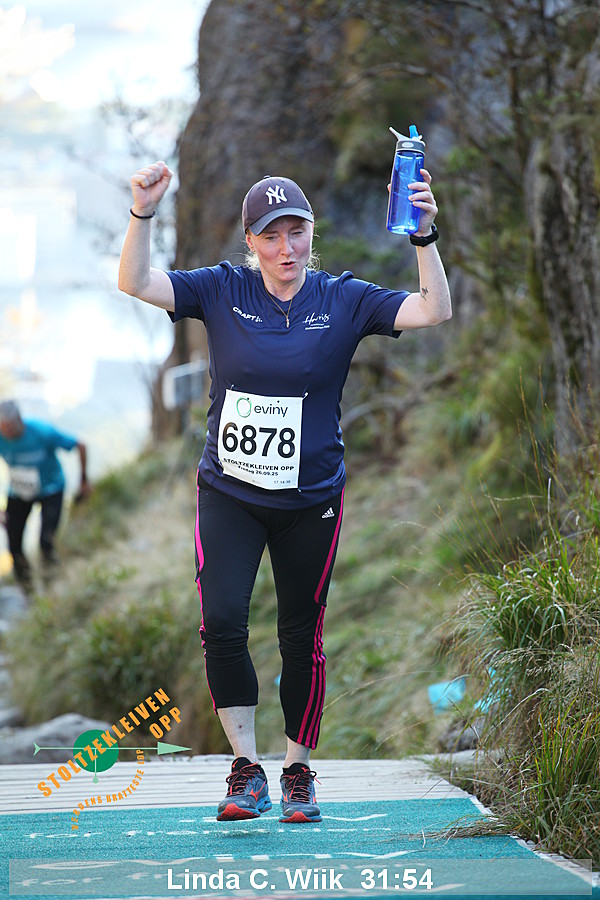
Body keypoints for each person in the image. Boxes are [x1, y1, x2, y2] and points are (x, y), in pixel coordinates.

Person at [118, 160, 451, 824]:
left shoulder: (344, 298)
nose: (285, 249)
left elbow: (433, 309)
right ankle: (246, 768)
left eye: (296, 232)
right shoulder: (222, 289)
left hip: (310, 501)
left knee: (302, 636)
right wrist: (143, 211)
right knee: (222, 622)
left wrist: (424, 235)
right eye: (270, 236)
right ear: (251, 241)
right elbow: (136, 282)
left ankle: (298, 771)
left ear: (311, 233)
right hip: (230, 495)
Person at [0, 400, 90, 589]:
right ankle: (27, 589)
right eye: (2, 428)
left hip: (51, 489)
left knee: (46, 542)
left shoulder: (41, 432)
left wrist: (83, 480)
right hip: (19, 492)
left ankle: (52, 584)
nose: (7, 432)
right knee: (14, 544)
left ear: (19, 420)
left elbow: (80, 445)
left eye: (9, 427)